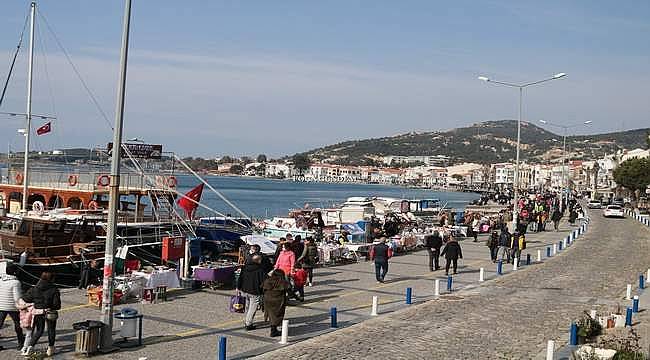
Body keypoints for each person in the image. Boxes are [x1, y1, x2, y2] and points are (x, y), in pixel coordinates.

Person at [22, 271, 61, 357]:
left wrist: (35, 302)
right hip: (50, 312)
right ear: (51, 279)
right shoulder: (54, 289)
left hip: (38, 312)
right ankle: (50, 349)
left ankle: (30, 348)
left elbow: (26, 299)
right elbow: (57, 305)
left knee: (39, 331)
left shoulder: (35, 288)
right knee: (51, 330)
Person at [237, 254, 267, 331]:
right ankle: (248, 323)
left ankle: (247, 319)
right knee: (252, 308)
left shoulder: (245, 267)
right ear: (257, 261)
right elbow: (264, 281)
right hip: (255, 291)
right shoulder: (260, 270)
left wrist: (238, 287)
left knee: (247, 306)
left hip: (245, 290)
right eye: (260, 260)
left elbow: (240, 278)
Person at [0, 263, 25, 351]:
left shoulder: (1, 280)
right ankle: (21, 343)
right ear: (15, 272)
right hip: (12, 307)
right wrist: (23, 306)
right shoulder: (15, 282)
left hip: (1, 306)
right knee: (17, 324)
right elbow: (17, 297)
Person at [262, 269, 290, 337]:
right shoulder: (283, 282)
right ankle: (273, 331)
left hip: (268, 299)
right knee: (278, 315)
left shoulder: (267, 281)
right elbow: (290, 291)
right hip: (279, 301)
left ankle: (273, 329)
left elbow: (263, 289)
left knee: (271, 315)